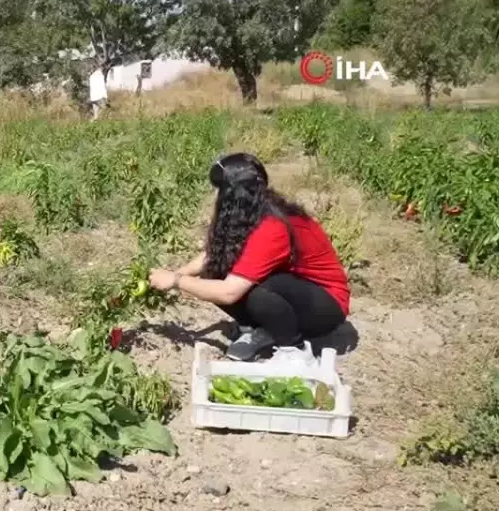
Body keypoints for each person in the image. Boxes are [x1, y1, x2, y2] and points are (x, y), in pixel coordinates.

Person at [148, 153, 350, 365]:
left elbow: (229, 292)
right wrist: (177, 273)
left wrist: (176, 281)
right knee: (219, 266)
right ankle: (261, 330)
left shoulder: (274, 226)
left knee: (259, 291)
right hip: (296, 292)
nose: (216, 197)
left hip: (325, 305)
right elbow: (213, 256)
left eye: (219, 190)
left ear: (232, 194)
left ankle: (294, 350)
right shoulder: (253, 210)